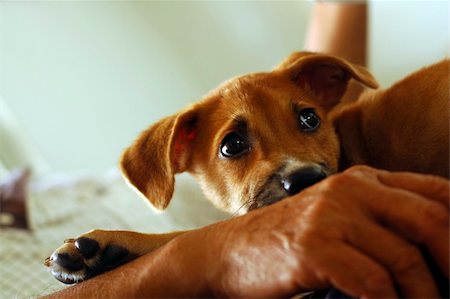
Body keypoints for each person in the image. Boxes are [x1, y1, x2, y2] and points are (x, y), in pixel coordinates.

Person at [43, 2, 449, 298]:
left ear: (330, 90)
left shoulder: (376, 131)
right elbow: (260, 237)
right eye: (235, 146)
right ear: (179, 156)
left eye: (308, 121)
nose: (299, 162)